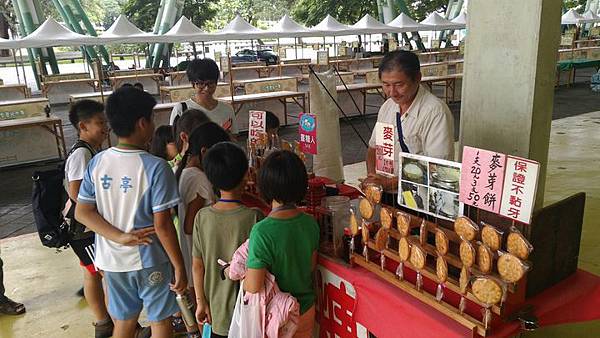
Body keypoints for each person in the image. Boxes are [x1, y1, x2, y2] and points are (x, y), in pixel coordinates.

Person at [75, 87, 187, 338]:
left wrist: (119, 237)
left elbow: (83, 212)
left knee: (124, 323)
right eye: (153, 118)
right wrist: (179, 265)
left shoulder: (98, 162)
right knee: (160, 322)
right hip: (150, 259)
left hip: (112, 261)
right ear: (142, 123)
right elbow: (163, 225)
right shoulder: (156, 167)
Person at [244, 150, 319, 338]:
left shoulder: (262, 231)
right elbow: (311, 266)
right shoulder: (310, 223)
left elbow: (253, 286)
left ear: (265, 187)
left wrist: (235, 273)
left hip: (277, 315)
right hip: (306, 310)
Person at [193, 142, 263, 338]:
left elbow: (198, 266)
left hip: (216, 311)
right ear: (246, 176)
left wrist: (201, 302)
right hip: (248, 312)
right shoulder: (254, 217)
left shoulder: (202, 217)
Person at [364, 50, 454, 194]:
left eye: (399, 84)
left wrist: (389, 183)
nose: (392, 92)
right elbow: (373, 149)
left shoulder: (435, 112)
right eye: (386, 85)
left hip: (419, 197)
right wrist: (372, 178)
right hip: (386, 193)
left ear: (417, 78)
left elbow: (437, 168)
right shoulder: (387, 107)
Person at [175, 123, 231, 337]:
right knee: (206, 312)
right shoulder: (199, 178)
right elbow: (191, 225)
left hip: (191, 254)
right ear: (205, 152)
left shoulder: (186, 171)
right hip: (199, 256)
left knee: (203, 311)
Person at [64, 99, 113, 337]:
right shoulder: (81, 154)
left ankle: (104, 323)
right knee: (106, 273)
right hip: (84, 229)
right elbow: (75, 191)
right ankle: (121, 323)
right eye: (100, 123)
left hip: (86, 227)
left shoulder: (91, 150)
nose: (105, 127)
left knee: (91, 273)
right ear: (83, 126)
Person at [169, 58, 236, 133]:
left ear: (216, 83)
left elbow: (234, 138)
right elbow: (173, 139)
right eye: (201, 84)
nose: (206, 88)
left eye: (210, 83)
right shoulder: (181, 109)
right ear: (192, 84)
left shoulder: (227, 109)